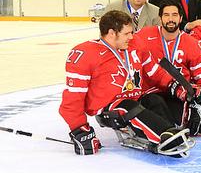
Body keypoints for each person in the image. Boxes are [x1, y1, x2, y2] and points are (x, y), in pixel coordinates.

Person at [58, 10, 193, 157]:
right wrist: (80, 129)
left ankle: (169, 131)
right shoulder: (85, 54)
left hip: (134, 99)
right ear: (111, 33)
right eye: (126, 33)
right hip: (109, 107)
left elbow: (154, 71)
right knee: (127, 107)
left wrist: (176, 87)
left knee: (154, 99)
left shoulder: (136, 44)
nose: (131, 37)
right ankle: (166, 138)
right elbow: (72, 99)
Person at [132, 1, 201, 135]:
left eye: (174, 15)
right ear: (160, 18)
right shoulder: (143, 36)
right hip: (151, 93)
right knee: (155, 103)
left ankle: (173, 130)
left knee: (188, 120)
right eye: (166, 15)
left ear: (181, 18)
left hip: (178, 94)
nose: (170, 19)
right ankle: (170, 134)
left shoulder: (191, 43)